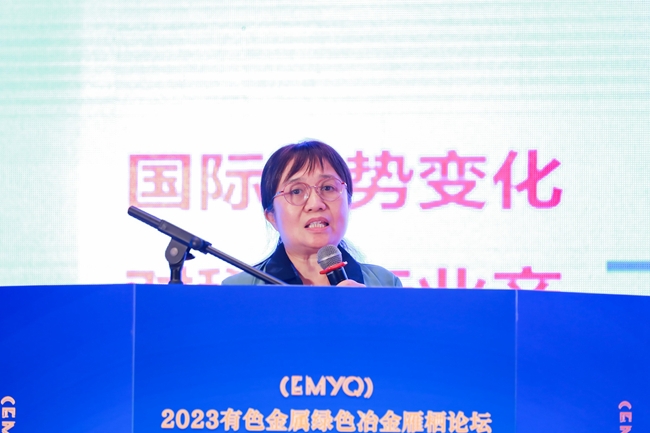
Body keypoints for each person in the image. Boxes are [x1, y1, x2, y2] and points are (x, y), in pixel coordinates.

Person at [221, 140, 402, 287]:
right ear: (271, 216)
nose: (315, 204)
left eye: (328, 188)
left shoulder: (384, 285)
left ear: (348, 203)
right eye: (296, 191)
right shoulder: (238, 291)